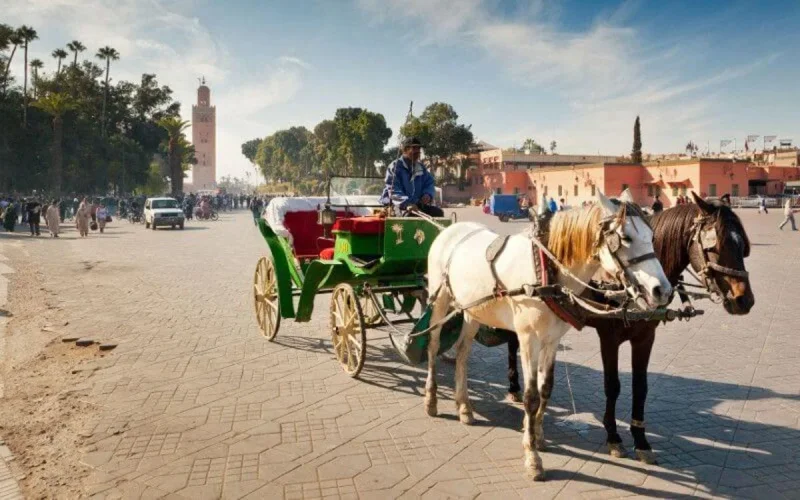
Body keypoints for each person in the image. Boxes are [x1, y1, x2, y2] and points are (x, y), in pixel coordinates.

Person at [380, 137, 443, 217]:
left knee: (438, 213)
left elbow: (429, 183)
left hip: (416, 205)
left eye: (419, 148)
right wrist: (407, 204)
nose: (417, 151)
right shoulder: (395, 167)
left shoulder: (421, 167)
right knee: (409, 216)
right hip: (398, 205)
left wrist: (427, 194)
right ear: (405, 150)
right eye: (414, 148)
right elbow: (394, 190)